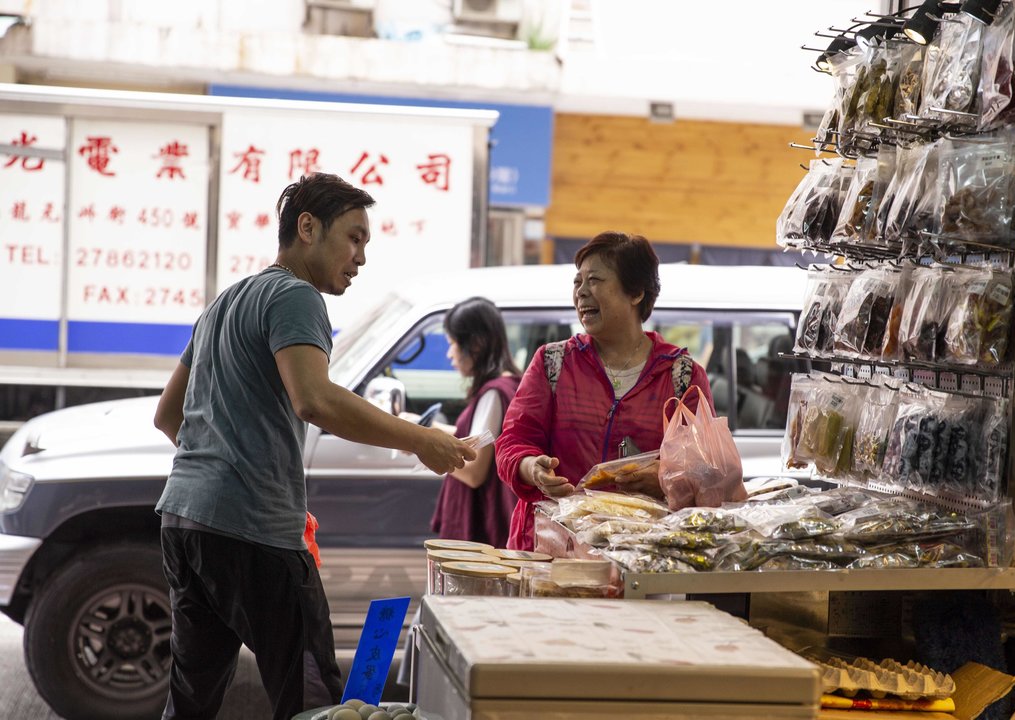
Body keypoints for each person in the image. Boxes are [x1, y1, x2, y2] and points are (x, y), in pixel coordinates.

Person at [152, 173, 475, 720]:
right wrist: (422, 439)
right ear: (307, 228)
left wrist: (229, 468)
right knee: (316, 702)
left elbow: (167, 415)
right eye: (354, 238)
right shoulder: (296, 296)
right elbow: (315, 401)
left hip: (184, 522)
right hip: (253, 530)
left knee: (192, 697)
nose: (361, 258)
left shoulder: (224, 304)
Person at [494, 231, 714, 551]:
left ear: (636, 292)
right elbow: (513, 441)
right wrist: (531, 467)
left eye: (594, 280)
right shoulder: (553, 362)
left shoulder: (682, 376)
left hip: (639, 554)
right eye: (577, 281)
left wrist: (665, 478)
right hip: (551, 551)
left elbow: (708, 470)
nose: (581, 292)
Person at [424, 297, 522, 547]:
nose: (449, 354)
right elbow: (478, 437)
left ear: (476, 345)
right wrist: (426, 428)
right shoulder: (511, 384)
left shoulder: (493, 394)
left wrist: (422, 446)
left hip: (480, 536)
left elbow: (475, 470)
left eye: (453, 343)